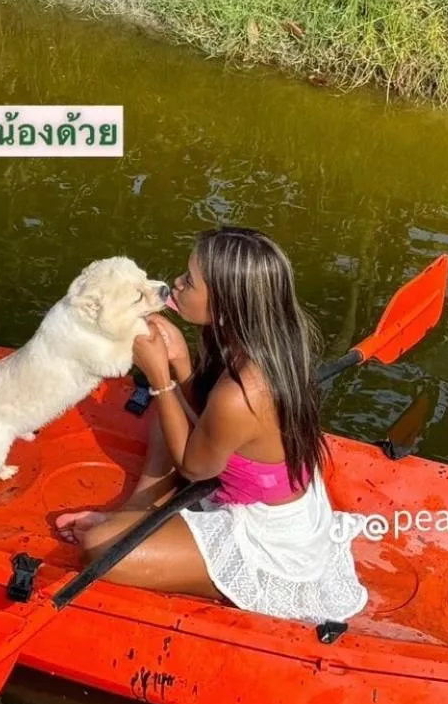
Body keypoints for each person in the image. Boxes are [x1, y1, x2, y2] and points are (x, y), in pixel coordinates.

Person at [55, 226, 368, 624]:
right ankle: (139, 509)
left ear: (224, 307)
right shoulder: (263, 342)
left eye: (190, 281)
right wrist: (182, 364)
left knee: (100, 547)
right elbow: (202, 420)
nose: (178, 284)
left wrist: (159, 377)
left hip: (266, 535)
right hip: (250, 484)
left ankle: (201, 565)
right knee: (164, 411)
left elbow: (194, 466)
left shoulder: (240, 392)